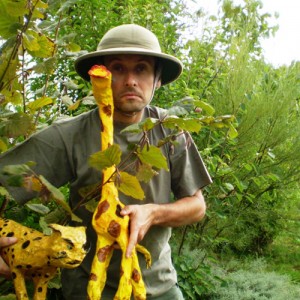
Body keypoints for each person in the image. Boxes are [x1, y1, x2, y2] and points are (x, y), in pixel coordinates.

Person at [0, 24, 212, 299]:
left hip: (157, 288)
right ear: (99, 75)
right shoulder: (69, 136)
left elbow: (196, 206)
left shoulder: (170, 131)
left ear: (157, 79)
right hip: (86, 291)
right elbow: (4, 180)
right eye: (118, 68)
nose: (130, 80)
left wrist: (153, 213)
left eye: (141, 69)